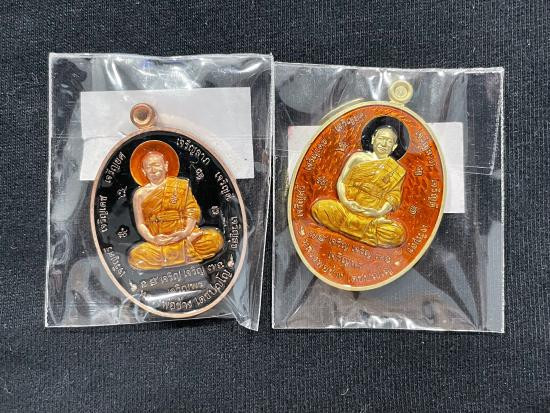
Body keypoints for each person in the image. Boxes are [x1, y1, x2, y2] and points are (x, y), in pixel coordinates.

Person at [311, 125, 406, 248]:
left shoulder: (396, 170)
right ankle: (366, 234)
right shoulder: (358, 158)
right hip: (347, 210)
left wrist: (377, 212)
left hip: (372, 217)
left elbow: (393, 197)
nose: (384, 144)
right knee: (320, 208)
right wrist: (345, 202)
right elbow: (342, 181)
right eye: (381, 138)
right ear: (373, 139)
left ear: (394, 146)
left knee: (397, 234)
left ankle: (348, 228)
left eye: (389, 141)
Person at [128, 149, 223, 270]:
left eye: (156, 165)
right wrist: (153, 239)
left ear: (166, 166)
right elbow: (140, 224)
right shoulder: (139, 194)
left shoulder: (180, 186)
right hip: (160, 242)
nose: (153, 169)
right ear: (143, 171)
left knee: (215, 239)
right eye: (148, 167)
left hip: (183, 234)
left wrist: (185, 232)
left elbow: (192, 211)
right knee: (136, 256)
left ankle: (173, 254)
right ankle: (185, 249)